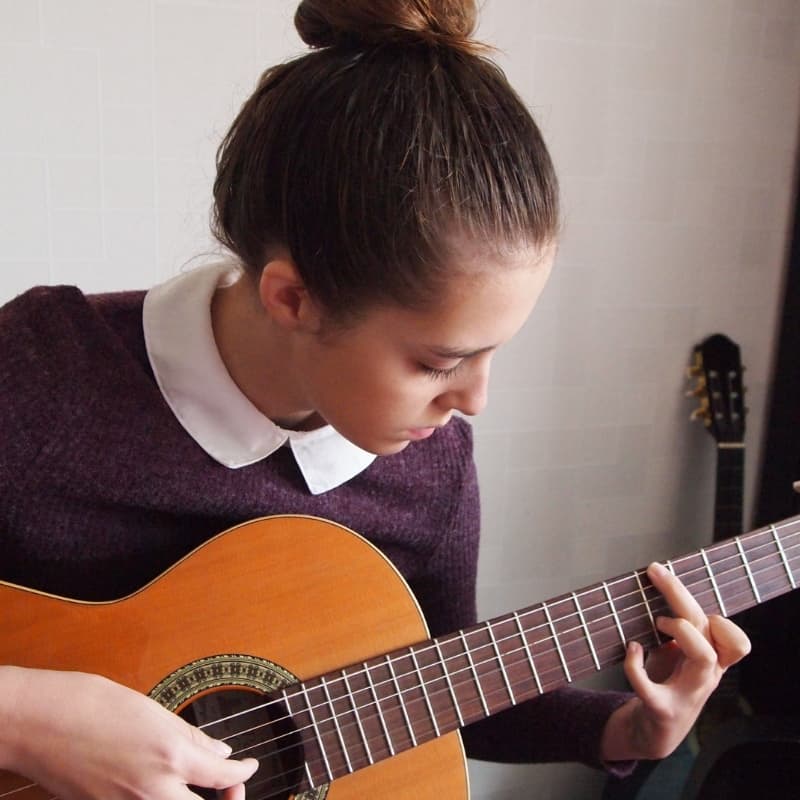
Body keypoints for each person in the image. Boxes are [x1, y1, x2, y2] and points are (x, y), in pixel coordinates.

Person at [0, 1, 751, 798]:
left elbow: (436, 690)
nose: (475, 401)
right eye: (438, 362)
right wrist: (25, 714)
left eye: (494, 353)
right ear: (293, 299)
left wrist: (624, 729)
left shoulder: (430, 465)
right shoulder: (43, 376)